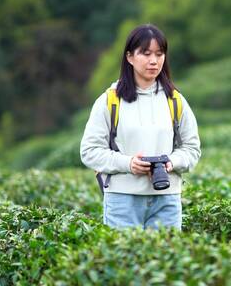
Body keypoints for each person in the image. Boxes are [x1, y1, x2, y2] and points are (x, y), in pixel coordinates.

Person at [80, 24, 201, 230]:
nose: (154, 61)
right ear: (129, 57)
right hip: (122, 201)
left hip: (167, 200)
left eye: (159, 53)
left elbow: (192, 149)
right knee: (123, 261)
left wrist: (171, 162)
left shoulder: (175, 100)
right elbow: (89, 152)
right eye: (145, 54)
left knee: (166, 260)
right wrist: (129, 164)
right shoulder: (110, 100)